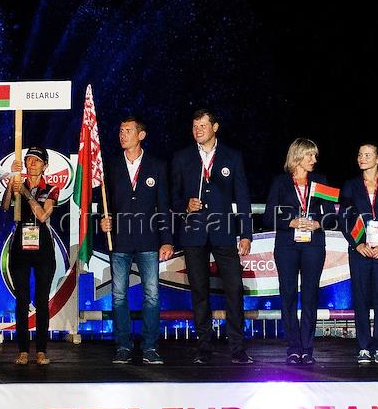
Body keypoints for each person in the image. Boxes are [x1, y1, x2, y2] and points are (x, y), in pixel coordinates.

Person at [170, 109, 253, 365]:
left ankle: (237, 347)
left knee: (234, 289)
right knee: (199, 292)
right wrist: (185, 205)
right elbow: (172, 197)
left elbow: (243, 197)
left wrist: (246, 234)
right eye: (195, 126)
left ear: (215, 127)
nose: (198, 130)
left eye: (203, 126)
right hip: (193, 233)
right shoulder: (182, 157)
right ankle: (203, 347)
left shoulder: (232, 157)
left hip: (224, 232)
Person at [100, 117, 174, 365]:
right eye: (121, 131)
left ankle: (150, 347)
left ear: (141, 135)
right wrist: (103, 220)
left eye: (128, 131)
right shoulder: (112, 165)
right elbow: (104, 201)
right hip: (119, 240)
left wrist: (166, 240)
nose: (122, 135)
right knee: (118, 295)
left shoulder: (157, 165)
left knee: (151, 295)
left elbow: (163, 205)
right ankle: (123, 346)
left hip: (148, 240)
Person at [264, 138, 338, 365]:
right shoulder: (280, 182)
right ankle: (293, 347)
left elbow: (332, 216)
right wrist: (291, 222)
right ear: (297, 156)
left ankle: (307, 348)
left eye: (315, 156)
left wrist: (318, 223)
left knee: (310, 296)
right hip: (287, 245)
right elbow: (268, 216)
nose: (314, 159)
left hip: (313, 245)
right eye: (310, 155)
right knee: (287, 295)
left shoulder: (321, 181)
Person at [341, 144, 378, 364]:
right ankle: (364, 347)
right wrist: (357, 244)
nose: (362, 158)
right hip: (360, 250)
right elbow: (344, 218)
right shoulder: (351, 186)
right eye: (359, 154)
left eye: (367, 155)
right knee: (361, 299)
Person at [6, 146, 61, 365]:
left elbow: (43, 215)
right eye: (29, 160)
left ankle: (41, 350)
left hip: (43, 246)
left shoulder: (52, 188)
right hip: (20, 243)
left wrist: (27, 193)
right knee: (22, 299)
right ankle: (22, 350)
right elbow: (5, 206)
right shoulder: (19, 183)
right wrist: (11, 184)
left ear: (45, 165)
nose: (32, 164)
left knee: (41, 299)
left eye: (37, 160)